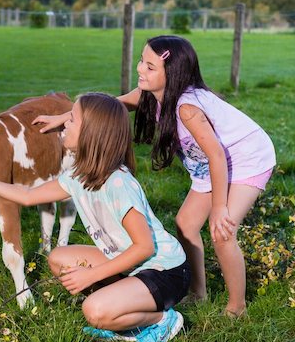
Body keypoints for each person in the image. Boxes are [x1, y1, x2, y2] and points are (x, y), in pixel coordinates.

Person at [35, 36, 276, 317]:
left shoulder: (187, 109)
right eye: (141, 61)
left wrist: (220, 208)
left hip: (246, 158)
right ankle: (198, 293)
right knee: (185, 223)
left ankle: (237, 308)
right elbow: (106, 108)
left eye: (150, 67)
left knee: (221, 231)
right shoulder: (151, 94)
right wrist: (63, 118)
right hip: (212, 162)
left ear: (170, 76)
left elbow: (217, 156)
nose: (140, 69)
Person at [0, 92, 190, 342]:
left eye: (72, 120)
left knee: (94, 311)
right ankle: (125, 318)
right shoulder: (78, 175)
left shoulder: (118, 184)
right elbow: (29, 196)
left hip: (164, 271)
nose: (64, 124)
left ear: (92, 134)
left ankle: (161, 321)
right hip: (131, 264)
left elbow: (144, 248)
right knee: (58, 259)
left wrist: (92, 275)